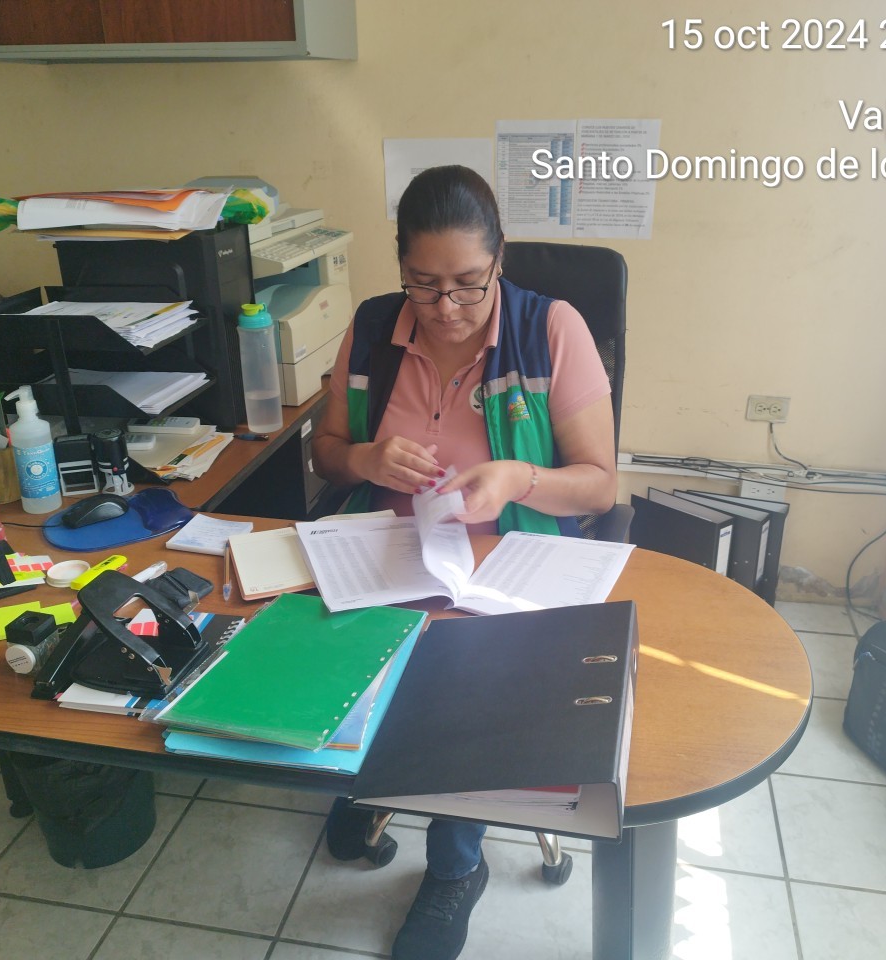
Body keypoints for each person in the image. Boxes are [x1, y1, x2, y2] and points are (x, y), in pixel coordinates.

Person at [310, 165, 617, 960]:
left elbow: (600, 483)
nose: (445, 307)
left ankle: (455, 866)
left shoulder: (550, 330)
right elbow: (326, 452)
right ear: (401, 267)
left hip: (508, 564)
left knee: (468, 680)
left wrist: (517, 478)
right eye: (423, 284)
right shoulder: (374, 328)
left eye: (468, 285)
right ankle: (370, 780)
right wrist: (367, 458)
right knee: (329, 642)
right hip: (386, 554)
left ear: (499, 259)